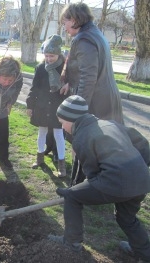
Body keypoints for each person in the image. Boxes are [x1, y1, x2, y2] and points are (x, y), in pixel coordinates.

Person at [48, 95, 150, 263]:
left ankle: (71, 242)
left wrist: (73, 192)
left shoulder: (81, 137)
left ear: (72, 120)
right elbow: (142, 144)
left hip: (116, 181)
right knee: (127, 218)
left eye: (62, 122)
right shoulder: (109, 123)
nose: (62, 127)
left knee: (71, 196)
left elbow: (92, 173)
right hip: (142, 181)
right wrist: (138, 170)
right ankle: (144, 253)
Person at [59, 2, 124, 185]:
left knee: (84, 144)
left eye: (65, 22)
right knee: (104, 145)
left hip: (96, 102)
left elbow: (89, 76)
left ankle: (80, 186)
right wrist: (70, 82)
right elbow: (83, 68)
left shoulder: (84, 39)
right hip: (107, 98)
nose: (64, 27)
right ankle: (100, 182)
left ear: (74, 19)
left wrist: (79, 109)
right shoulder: (95, 34)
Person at [26, 34, 69, 177]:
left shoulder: (65, 68)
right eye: (46, 56)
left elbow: (71, 86)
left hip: (59, 106)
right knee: (42, 131)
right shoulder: (40, 68)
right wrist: (30, 105)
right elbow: (34, 88)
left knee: (58, 134)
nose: (49, 59)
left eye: (52, 56)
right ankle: (39, 158)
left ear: (58, 54)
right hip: (42, 106)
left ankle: (61, 165)